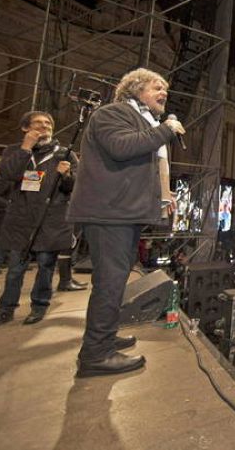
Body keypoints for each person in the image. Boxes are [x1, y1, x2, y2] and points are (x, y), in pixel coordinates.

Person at [67, 68, 185, 377]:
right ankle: (95, 354)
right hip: (110, 213)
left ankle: (103, 338)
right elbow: (122, 148)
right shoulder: (113, 113)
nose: (164, 92)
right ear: (135, 89)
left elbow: (134, 163)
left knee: (113, 281)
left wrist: (161, 193)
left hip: (121, 213)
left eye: (166, 89)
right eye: (157, 87)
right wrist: (167, 129)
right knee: (109, 283)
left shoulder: (140, 122)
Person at [0, 111, 79, 329]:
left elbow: (73, 188)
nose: (44, 127)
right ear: (25, 128)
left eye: (48, 124)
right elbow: (7, 174)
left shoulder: (65, 154)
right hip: (21, 220)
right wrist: (26, 148)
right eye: (38, 123)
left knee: (45, 265)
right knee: (15, 268)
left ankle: (39, 305)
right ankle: (5, 309)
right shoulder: (15, 151)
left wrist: (67, 175)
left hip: (50, 219)